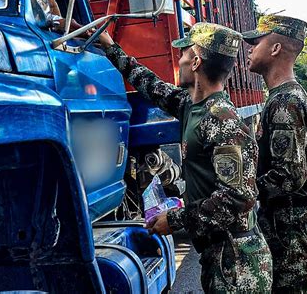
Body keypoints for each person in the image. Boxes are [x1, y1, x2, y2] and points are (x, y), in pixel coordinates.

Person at [97, 23, 273, 293]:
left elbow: (238, 199)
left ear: (196, 61)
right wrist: (110, 47)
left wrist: (176, 219)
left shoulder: (223, 121)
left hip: (237, 263)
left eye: (184, 54)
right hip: (220, 253)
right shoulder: (192, 106)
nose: (179, 60)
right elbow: (151, 85)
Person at [243, 15, 307, 293]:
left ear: (275, 49)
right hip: (291, 223)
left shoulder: (286, 102)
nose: (249, 48)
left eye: (255, 42)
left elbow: (289, 177)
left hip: (292, 227)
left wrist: (241, 191)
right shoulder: (285, 97)